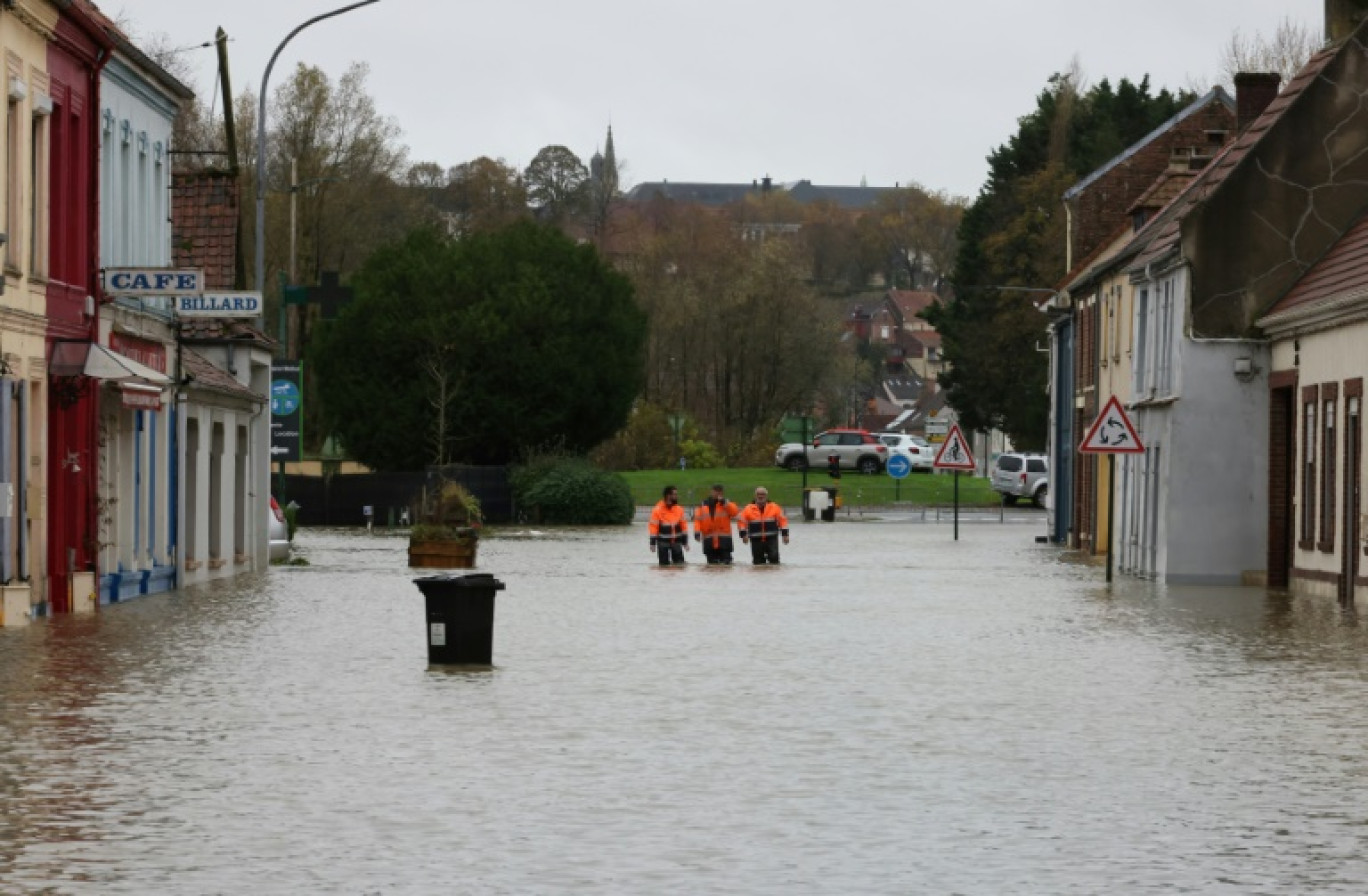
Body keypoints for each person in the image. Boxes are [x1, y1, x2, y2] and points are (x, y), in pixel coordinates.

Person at [738, 487, 789, 565]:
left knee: (774, 560)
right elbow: (742, 522)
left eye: (762, 494)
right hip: (756, 539)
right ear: (755, 496)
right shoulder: (748, 508)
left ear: (766, 496)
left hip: (771, 539)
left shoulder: (774, 507)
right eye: (758, 494)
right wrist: (743, 535)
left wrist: (785, 535)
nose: (760, 496)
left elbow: (783, 521)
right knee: (758, 562)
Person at [693, 484, 740, 565]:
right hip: (709, 540)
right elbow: (697, 520)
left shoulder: (727, 504)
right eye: (715, 491)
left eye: (719, 492)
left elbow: (735, 512)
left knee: (726, 564)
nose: (717, 494)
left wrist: (725, 504)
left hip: (724, 541)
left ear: (722, 493)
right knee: (711, 566)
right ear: (711, 492)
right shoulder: (703, 505)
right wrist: (697, 532)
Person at [648, 485, 690, 566]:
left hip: (677, 542)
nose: (676, 496)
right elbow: (653, 528)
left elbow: (684, 526)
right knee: (663, 566)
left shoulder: (679, 509)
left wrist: (685, 542)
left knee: (680, 566)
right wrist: (652, 543)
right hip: (662, 542)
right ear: (668, 496)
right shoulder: (657, 510)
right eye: (675, 494)